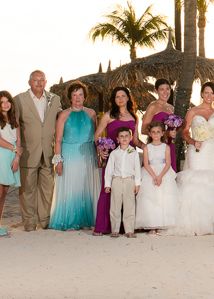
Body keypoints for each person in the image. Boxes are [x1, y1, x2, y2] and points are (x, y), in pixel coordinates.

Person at [173, 82, 214, 236]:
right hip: (197, 150)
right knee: (194, 182)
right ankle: (193, 223)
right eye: (206, 92)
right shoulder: (192, 112)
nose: (209, 96)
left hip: (212, 150)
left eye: (212, 93)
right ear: (201, 94)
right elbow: (185, 133)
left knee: (212, 182)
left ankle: (213, 223)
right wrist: (194, 142)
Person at [14, 70, 62, 232]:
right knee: (28, 189)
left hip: (48, 151)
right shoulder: (19, 100)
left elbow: (61, 122)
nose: (39, 83)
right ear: (29, 82)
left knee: (48, 188)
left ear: (46, 82)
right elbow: (15, 126)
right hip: (28, 150)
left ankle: (46, 220)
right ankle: (29, 222)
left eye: (42, 80)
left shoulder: (54, 99)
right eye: (36, 80)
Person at [49, 81, 99, 231]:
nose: (77, 98)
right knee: (72, 187)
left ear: (85, 97)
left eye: (80, 95)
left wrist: (98, 155)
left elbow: (96, 136)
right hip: (69, 154)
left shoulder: (91, 113)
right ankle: (71, 221)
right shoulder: (64, 115)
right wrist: (58, 161)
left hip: (88, 154)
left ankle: (85, 221)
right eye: (74, 95)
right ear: (70, 98)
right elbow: (57, 139)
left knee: (86, 187)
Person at [93, 86, 141, 236]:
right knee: (107, 191)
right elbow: (97, 135)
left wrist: (147, 147)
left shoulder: (134, 117)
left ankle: (126, 227)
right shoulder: (108, 116)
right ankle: (103, 226)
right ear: (114, 100)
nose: (120, 99)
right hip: (112, 158)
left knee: (127, 195)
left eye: (123, 96)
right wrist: (100, 150)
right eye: (117, 97)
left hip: (129, 159)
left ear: (128, 98)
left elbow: (136, 140)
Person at [136, 120, 179, 234]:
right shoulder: (147, 147)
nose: (155, 134)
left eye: (158, 132)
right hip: (150, 173)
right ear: (150, 134)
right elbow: (145, 163)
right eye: (153, 132)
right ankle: (152, 225)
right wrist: (154, 176)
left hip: (163, 173)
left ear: (162, 133)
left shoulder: (166, 147)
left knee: (162, 197)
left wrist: (160, 176)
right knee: (150, 198)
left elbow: (168, 163)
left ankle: (162, 224)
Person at [0, 91, 21, 237]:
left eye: (8, 101)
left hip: (12, 155)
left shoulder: (14, 119)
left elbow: (19, 141)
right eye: (2, 102)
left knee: (5, 192)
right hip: (0, 153)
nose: (6, 104)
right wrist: (14, 149)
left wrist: (17, 157)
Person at [103, 127, 141, 238]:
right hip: (117, 180)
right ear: (117, 139)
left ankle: (129, 230)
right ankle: (115, 229)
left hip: (129, 180)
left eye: (126, 136)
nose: (124, 138)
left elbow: (137, 169)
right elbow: (109, 169)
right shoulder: (114, 153)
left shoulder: (134, 153)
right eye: (121, 136)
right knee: (115, 204)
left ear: (131, 138)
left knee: (129, 205)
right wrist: (108, 184)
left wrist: (137, 184)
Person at [141, 78, 176, 171]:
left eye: (167, 89)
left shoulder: (171, 108)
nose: (165, 92)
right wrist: (165, 134)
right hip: (156, 146)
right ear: (156, 91)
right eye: (162, 89)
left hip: (169, 145)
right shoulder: (153, 106)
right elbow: (143, 130)